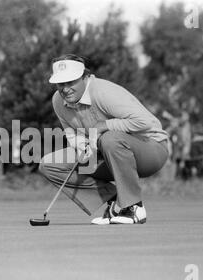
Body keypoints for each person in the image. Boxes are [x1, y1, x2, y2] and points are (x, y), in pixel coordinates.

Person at [39, 54, 169, 225]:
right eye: (60, 83)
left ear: (85, 77)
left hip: (151, 150)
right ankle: (116, 200)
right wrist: (81, 146)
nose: (65, 89)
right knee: (49, 165)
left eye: (71, 82)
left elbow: (146, 122)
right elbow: (72, 133)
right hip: (106, 152)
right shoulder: (58, 100)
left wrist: (105, 125)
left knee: (110, 138)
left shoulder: (103, 92)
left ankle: (133, 207)